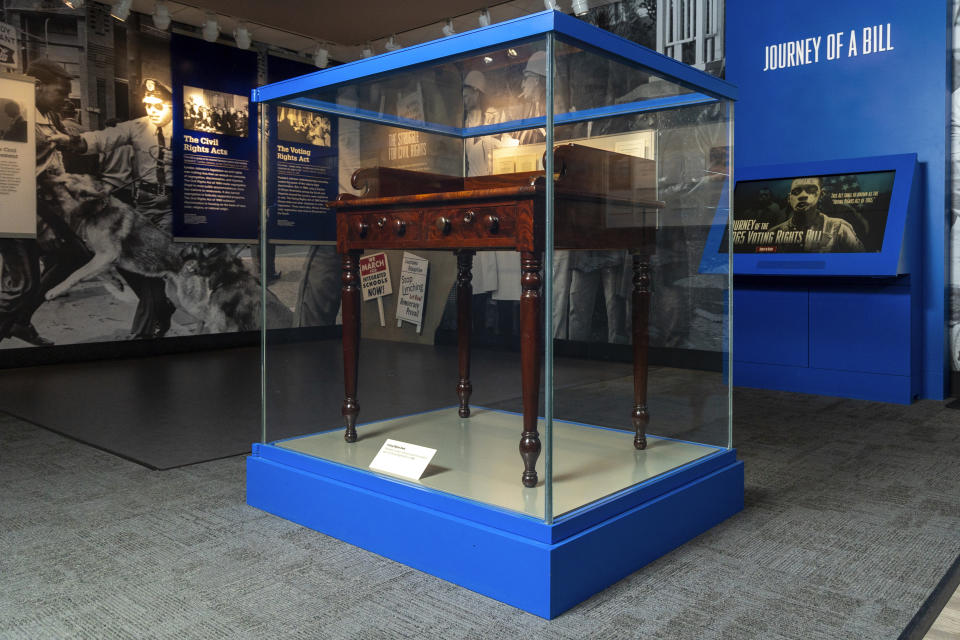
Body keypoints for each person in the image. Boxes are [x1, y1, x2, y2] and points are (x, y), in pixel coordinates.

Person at [71, 78, 176, 338]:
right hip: (144, 206)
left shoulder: (188, 130)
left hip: (174, 209)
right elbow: (104, 138)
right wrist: (76, 142)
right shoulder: (138, 127)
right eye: (147, 103)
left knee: (154, 267)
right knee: (134, 264)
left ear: (171, 105)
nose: (152, 108)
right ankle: (163, 309)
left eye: (158, 104)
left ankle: (141, 335)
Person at [0, 58, 89, 346]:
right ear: (37, 86)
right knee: (23, 284)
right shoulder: (16, 108)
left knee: (75, 254)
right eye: (60, 92)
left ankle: (21, 322)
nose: (66, 98)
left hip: (43, 203)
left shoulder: (48, 114)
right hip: (16, 205)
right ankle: (11, 324)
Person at [768, 177, 864, 252]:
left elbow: (861, 262)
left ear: (821, 194)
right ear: (789, 198)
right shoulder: (772, 234)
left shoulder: (839, 229)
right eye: (796, 192)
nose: (802, 195)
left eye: (811, 189)